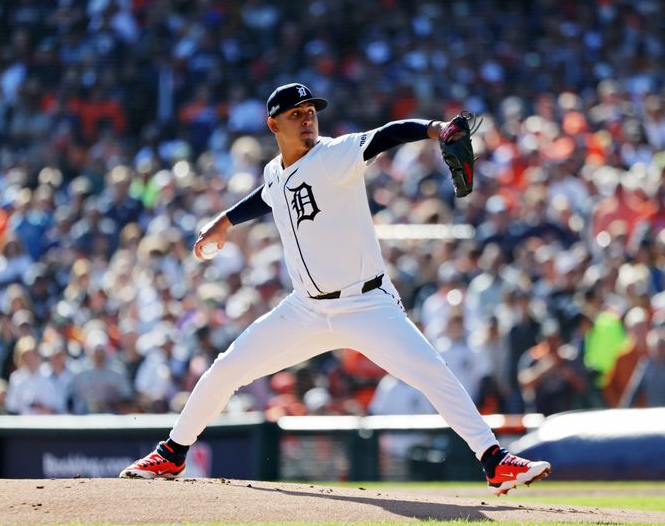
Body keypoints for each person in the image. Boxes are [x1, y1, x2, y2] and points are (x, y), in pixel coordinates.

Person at [119, 83, 550, 495]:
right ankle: (172, 453)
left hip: (366, 304)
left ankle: (494, 461)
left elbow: (383, 136)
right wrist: (225, 221)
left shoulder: (334, 154)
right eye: (296, 115)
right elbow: (268, 193)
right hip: (305, 310)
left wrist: (434, 129)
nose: (308, 120)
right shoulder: (275, 171)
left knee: (431, 373)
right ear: (274, 125)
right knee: (226, 368)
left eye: (310, 113)